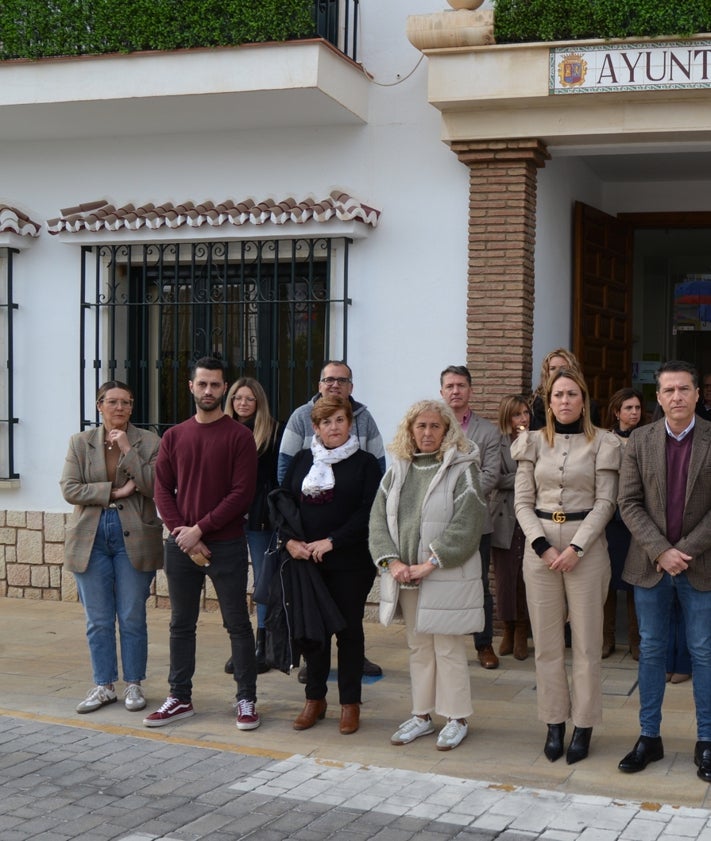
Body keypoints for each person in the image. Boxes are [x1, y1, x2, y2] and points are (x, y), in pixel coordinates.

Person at [512, 367, 620, 765]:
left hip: (586, 548)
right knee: (547, 644)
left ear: (584, 399)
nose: (564, 401)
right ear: (549, 401)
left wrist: (576, 547)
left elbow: (606, 503)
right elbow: (522, 501)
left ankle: (585, 725)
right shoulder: (533, 442)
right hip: (539, 548)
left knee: (588, 645)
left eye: (572, 394)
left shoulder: (604, 443)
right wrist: (540, 545)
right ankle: (554, 722)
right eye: (557, 395)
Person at [145, 357, 259, 730]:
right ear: (190, 387)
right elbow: (162, 489)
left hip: (225, 545)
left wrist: (200, 530)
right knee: (181, 624)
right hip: (180, 545)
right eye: (202, 384)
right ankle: (180, 697)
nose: (208, 390)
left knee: (237, 624)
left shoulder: (239, 437)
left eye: (215, 385)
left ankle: (246, 699)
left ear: (223, 388)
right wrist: (183, 533)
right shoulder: (174, 437)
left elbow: (242, 494)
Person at [370, 400, 486, 752]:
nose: (427, 433)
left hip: (442, 574)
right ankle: (422, 715)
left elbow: (467, 524)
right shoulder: (397, 471)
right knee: (418, 647)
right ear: (410, 430)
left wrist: (430, 563)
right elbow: (378, 521)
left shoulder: (462, 469)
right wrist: (392, 563)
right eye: (420, 426)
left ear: (447, 430)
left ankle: (456, 718)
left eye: (435, 426)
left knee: (448, 647)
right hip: (405, 575)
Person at [617, 360, 711, 783]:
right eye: (669, 390)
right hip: (650, 566)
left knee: (704, 653)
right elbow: (628, 502)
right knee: (652, 650)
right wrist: (660, 550)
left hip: (701, 564)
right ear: (658, 396)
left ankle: (706, 741)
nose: (676, 396)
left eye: (684, 389)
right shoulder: (639, 440)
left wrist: (683, 551)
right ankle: (649, 737)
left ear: (697, 394)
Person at [275, 396, 381, 735]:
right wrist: (290, 542)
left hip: (350, 560)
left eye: (339, 420)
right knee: (313, 632)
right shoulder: (304, 460)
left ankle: (350, 704)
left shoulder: (364, 463)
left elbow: (369, 512)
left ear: (350, 423)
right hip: (306, 561)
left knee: (349, 631)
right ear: (315, 427)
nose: (333, 427)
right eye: (326, 422)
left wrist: (332, 540)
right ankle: (314, 699)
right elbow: (284, 503)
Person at [60, 381, 164, 715]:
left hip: (132, 534)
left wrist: (128, 451)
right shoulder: (80, 442)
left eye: (126, 403)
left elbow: (154, 487)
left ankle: (134, 683)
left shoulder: (148, 441)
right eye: (113, 402)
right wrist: (115, 493)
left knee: (132, 614)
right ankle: (104, 685)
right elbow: (70, 488)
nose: (120, 408)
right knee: (98, 619)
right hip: (90, 535)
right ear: (99, 405)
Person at [440, 365, 500, 670]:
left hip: (476, 520)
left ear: (470, 391)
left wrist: (457, 495)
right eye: (449, 386)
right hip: (436, 522)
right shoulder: (429, 427)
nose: (455, 391)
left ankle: (484, 644)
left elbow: (491, 475)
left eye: (461, 385)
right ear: (441, 392)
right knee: (442, 582)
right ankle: (445, 644)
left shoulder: (488, 432)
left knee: (477, 583)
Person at [224, 376, 284, 675]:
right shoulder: (222, 430)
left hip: (260, 519)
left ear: (258, 402)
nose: (243, 403)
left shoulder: (273, 431)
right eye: (238, 398)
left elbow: (277, 478)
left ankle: (264, 646)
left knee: (262, 583)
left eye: (249, 398)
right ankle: (242, 646)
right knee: (232, 582)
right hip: (228, 519)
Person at [602, 388, 643, 660]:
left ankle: (636, 640)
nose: (634, 413)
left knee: (635, 581)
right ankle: (606, 639)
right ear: (617, 412)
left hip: (637, 519)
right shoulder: (603, 440)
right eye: (628, 408)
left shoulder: (648, 437)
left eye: (638, 408)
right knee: (607, 580)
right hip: (610, 519)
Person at [489, 394, 531, 661]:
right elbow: (496, 478)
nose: (523, 419)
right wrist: (526, 475)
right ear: (507, 417)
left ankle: (523, 631)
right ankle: (507, 628)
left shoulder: (537, 439)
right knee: (505, 578)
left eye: (526, 413)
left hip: (530, 517)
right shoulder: (497, 442)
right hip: (503, 515)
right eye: (517, 414)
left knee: (526, 579)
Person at [529, 349, 601, 430]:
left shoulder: (590, 405)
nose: (557, 371)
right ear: (547, 372)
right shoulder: (538, 403)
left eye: (563, 367)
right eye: (553, 368)